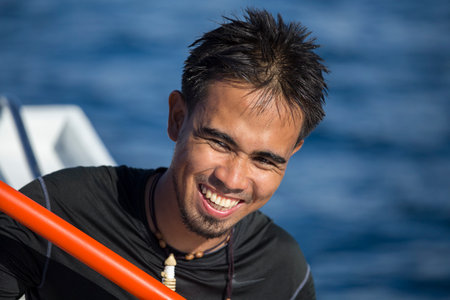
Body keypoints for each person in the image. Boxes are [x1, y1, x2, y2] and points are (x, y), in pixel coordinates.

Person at [0, 8, 327, 300]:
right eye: (219, 143)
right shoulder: (53, 213)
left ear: (291, 154)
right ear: (177, 119)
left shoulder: (285, 277)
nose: (232, 179)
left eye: (265, 160)